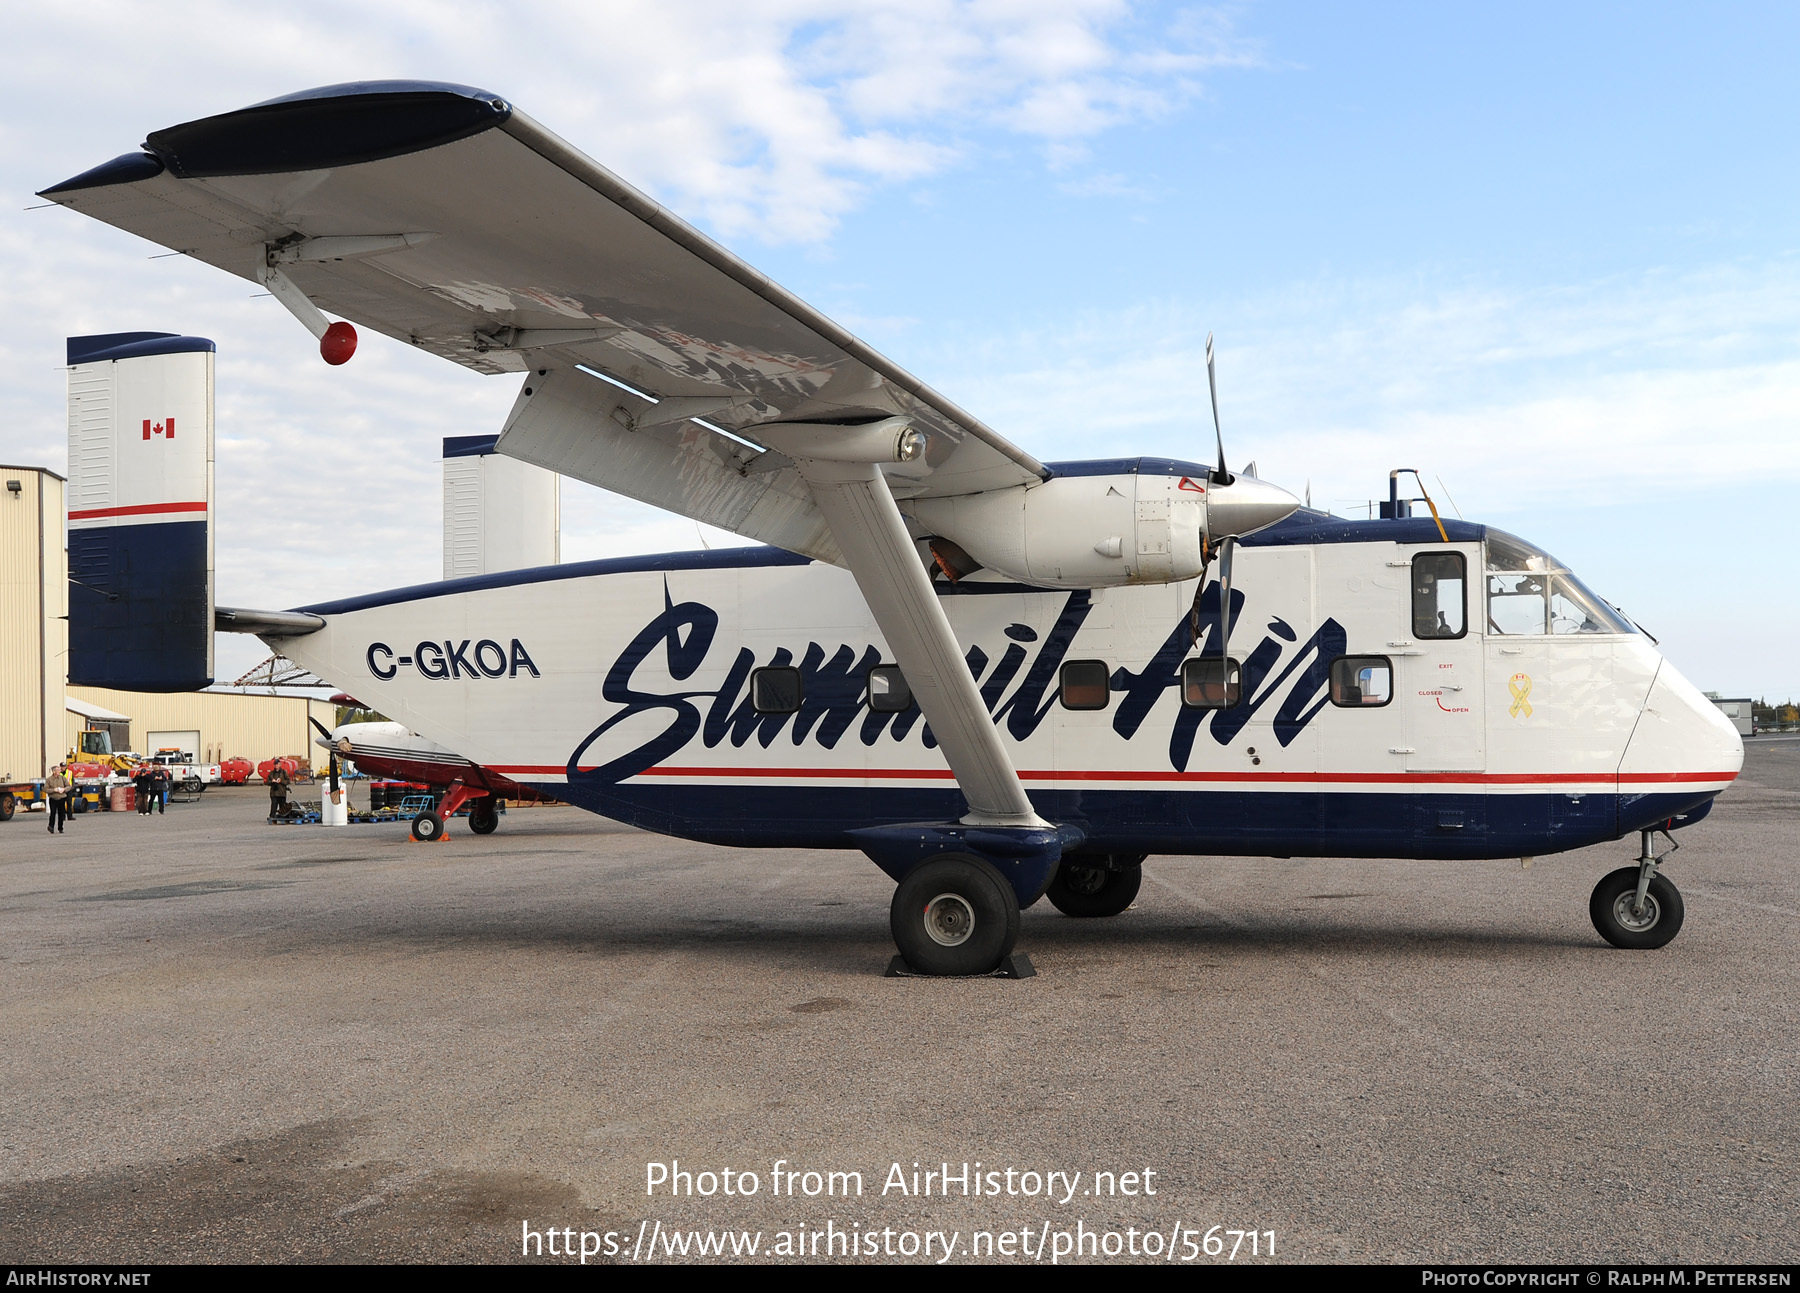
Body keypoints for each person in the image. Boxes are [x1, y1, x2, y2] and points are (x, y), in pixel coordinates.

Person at [46, 763, 71, 834]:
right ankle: (51, 827)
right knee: (53, 813)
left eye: (59, 770)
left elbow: (69, 786)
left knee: (61, 813)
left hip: (61, 798)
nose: (59, 771)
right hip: (53, 798)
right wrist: (54, 790)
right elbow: (46, 789)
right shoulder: (49, 780)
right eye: (58, 770)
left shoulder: (63, 778)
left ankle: (60, 827)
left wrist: (64, 789)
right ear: (54, 771)